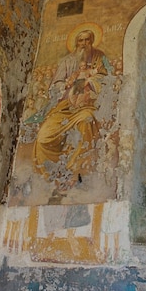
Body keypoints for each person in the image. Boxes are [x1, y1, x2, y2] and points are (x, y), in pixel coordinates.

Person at [33, 28, 110, 190]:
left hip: (87, 104)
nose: (83, 44)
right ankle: (53, 175)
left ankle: (77, 170)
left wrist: (89, 81)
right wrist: (67, 85)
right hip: (65, 106)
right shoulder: (67, 61)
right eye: (80, 41)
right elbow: (56, 84)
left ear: (92, 41)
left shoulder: (99, 57)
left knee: (86, 122)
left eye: (87, 40)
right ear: (76, 43)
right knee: (42, 137)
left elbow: (106, 77)